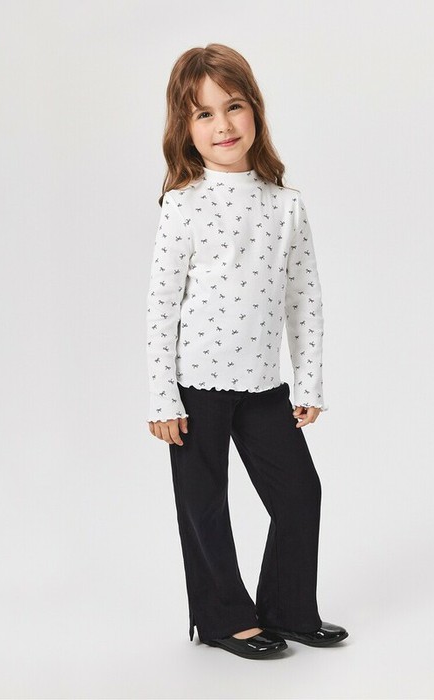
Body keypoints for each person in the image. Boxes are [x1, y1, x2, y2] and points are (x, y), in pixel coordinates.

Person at [146, 43, 348, 660]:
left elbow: (304, 300)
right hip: (195, 386)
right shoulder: (182, 204)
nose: (223, 125)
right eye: (204, 114)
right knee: (205, 507)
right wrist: (162, 396)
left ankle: (287, 608)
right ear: (185, 128)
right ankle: (223, 619)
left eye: (233, 107)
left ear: (254, 110)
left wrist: (309, 384)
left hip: (263, 386)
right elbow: (161, 307)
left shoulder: (286, 205)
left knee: (300, 495)